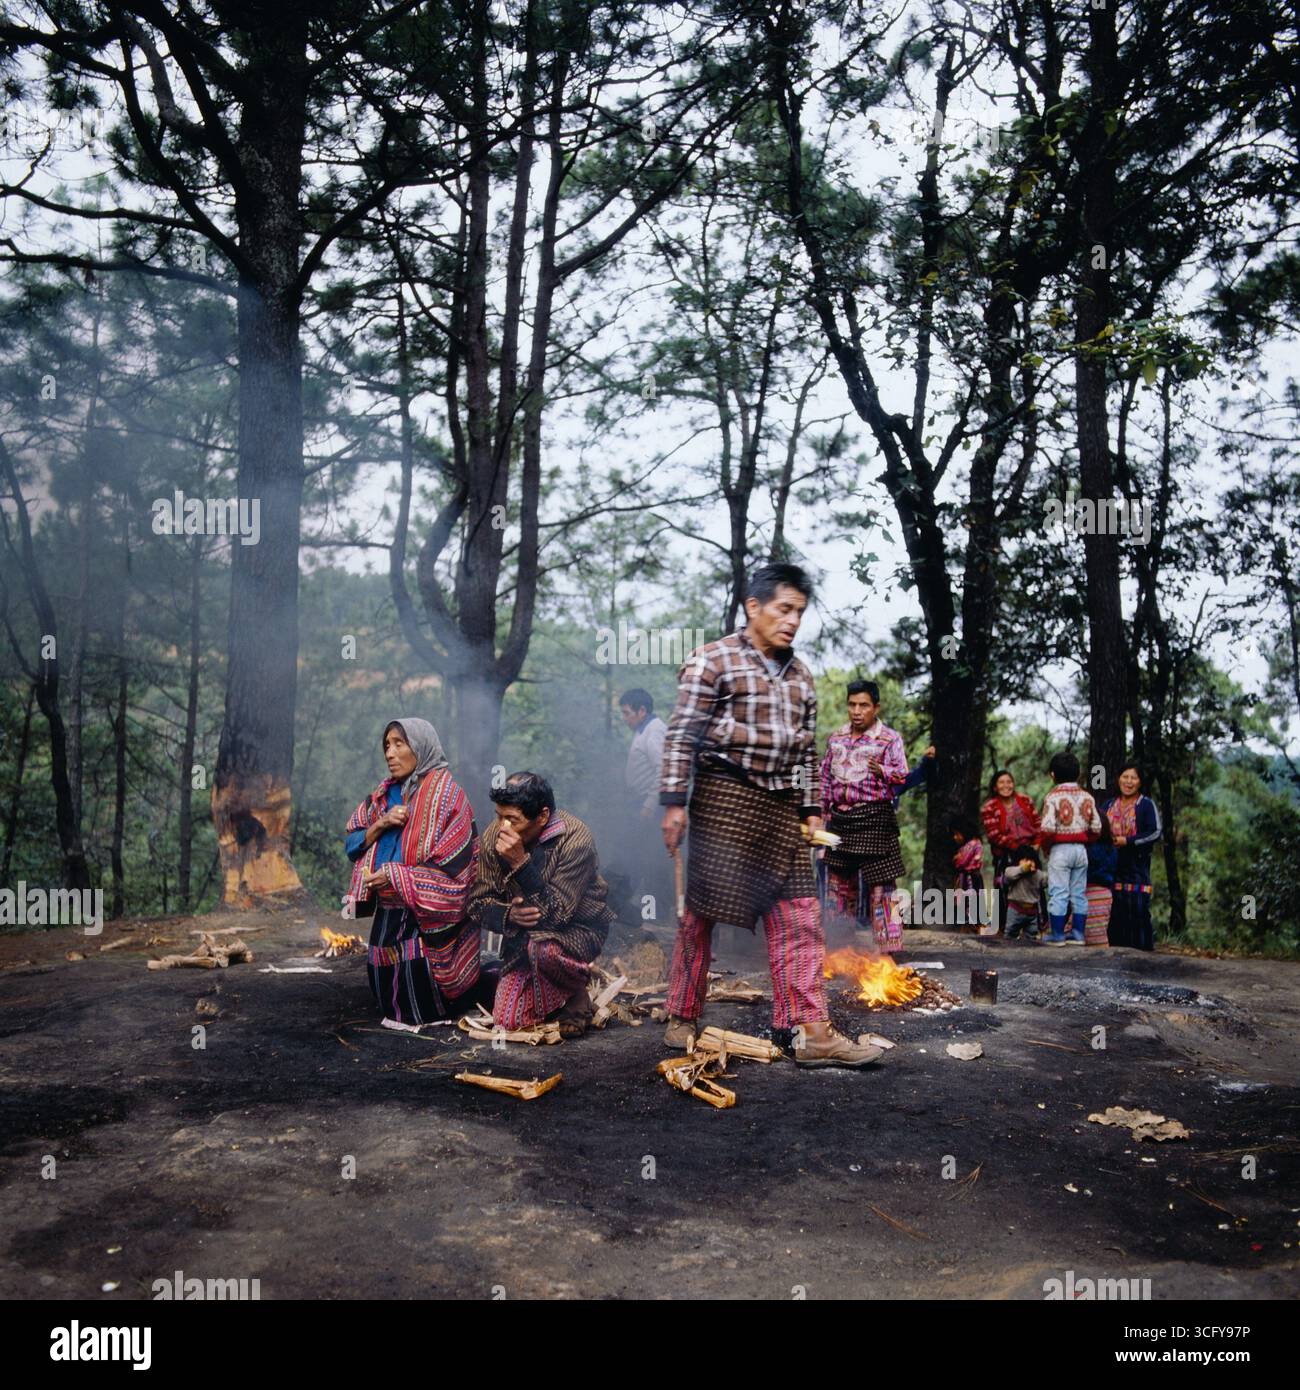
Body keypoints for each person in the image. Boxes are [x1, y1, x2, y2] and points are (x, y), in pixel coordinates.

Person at [660, 562, 881, 1069]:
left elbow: (806, 755)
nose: (793, 621)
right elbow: (680, 736)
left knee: (801, 917)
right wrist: (673, 802)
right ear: (753, 607)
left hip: (782, 810)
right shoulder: (711, 661)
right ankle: (682, 1011)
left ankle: (811, 1031)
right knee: (700, 915)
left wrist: (810, 811)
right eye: (784, 609)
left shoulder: (802, 677)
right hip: (724, 800)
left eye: (799, 612)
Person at [345, 717, 482, 1025]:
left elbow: (457, 870)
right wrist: (381, 824)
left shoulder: (449, 798)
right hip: (388, 905)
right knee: (381, 968)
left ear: (421, 746)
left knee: (418, 974)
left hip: (427, 911)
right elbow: (352, 845)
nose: (389, 754)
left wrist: (398, 876)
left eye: (399, 744)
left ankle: (433, 1010)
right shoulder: (382, 798)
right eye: (386, 746)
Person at [466, 771, 613, 1038]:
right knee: (510, 1021)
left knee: (543, 948)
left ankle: (576, 989)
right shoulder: (492, 837)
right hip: (522, 938)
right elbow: (476, 904)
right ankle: (560, 994)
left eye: (512, 820)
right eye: (499, 815)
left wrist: (521, 864)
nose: (502, 827)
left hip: (577, 932)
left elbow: (558, 916)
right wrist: (508, 914)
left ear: (543, 816)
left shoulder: (576, 839)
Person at [819, 680, 909, 950]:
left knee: (883, 889)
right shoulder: (836, 738)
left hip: (875, 819)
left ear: (876, 707)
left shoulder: (890, 739)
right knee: (838, 888)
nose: (857, 711)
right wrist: (821, 819)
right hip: (840, 821)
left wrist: (883, 770)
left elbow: (902, 775)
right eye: (852, 704)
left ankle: (888, 952)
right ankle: (839, 950)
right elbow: (824, 779)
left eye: (864, 705)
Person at [1037, 751, 1102, 945]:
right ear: (1078, 773)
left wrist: (1046, 847)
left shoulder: (1053, 797)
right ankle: (1078, 934)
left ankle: (1057, 934)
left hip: (1060, 849)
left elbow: (1047, 829)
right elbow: (1097, 827)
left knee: (1058, 891)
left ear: (1053, 775)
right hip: (1081, 850)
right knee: (1078, 891)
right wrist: (1085, 840)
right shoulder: (1087, 797)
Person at [619, 687, 671, 918]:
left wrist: (649, 805)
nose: (624, 718)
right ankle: (624, 905)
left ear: (642, 710)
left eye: (627, 713)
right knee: (636, 854)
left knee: (648, 857)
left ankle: (655, 912)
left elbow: (663, 769)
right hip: (638, 803)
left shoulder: (655, 730)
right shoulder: (643, 730)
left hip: (651, 806)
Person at [1103, 763, 1163, 951]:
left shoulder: (1145, 805)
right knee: (1115, 912)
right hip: (1112, 868)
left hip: (1137, 868)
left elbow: (1155, 832)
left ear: (1140, 782)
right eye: (1125, 777)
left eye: (1133, 778)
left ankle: (1143, 958)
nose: (1128, 782)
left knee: (1138, 910)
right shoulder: (1109, 805)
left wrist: (1128, 841)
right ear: (1118, 779)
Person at [980, 769, 1042, 932]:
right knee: (1004, 889)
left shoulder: (1025, 801)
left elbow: (1037, 822)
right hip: (1006, 854)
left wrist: (1036, 844)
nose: (1006, 785)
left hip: (1030, 852)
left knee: (1034, 886)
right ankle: (1003, 928)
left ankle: (1037, 926)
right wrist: (1017, 849)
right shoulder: (989, 807)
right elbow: (994, 835)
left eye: (1009, 782)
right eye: (1001, 782)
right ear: (995, 787)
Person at [1086, 811, 1117, 947]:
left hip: (1089, 892)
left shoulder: (1088, 848)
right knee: (1099, 929)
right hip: (1105, 894)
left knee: (1087, 932)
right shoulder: (1111, 848)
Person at [1003, 849, 1043, 940]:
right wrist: (1023, 869)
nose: (1029, 863)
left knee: (1031, 937)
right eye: (1025, 860)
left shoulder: (1038, 874)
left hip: (1032, 912)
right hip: (1015, 910)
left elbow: (1045, 880)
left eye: (1032, 860)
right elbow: (1008, 874)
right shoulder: (1013, 872)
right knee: (1009, 935)